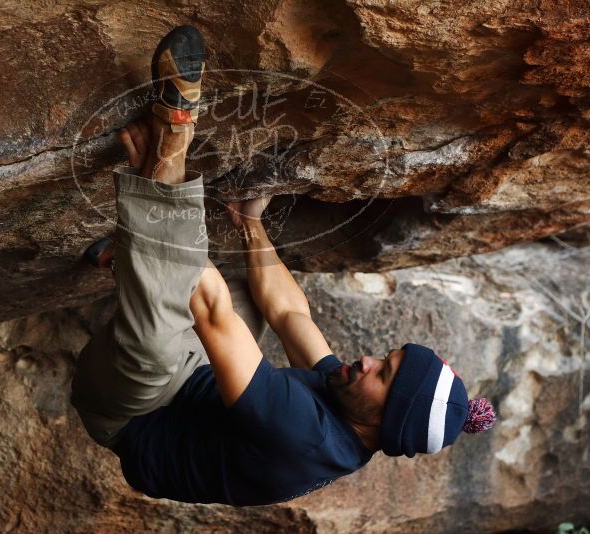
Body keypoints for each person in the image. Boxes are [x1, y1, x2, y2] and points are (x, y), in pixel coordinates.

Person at [70, 25, 496, 506]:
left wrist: (163, 190)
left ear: (384, 422)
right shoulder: (348, 400)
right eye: (387, 357)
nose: (368, 361)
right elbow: (292, 316)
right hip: (198, 376)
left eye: (383, 374)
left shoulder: (305, 436)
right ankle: (136, 260)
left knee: (161, 336)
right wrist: (250, 223)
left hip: (132, 412)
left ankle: (171, 141)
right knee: (236, 303)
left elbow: (212, 313)